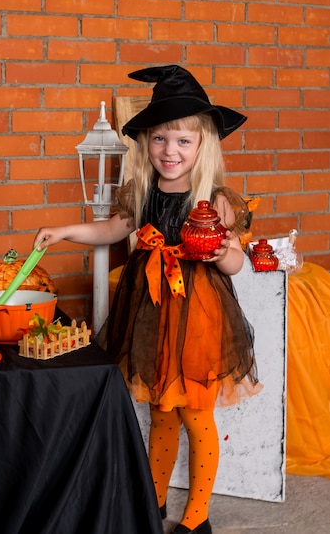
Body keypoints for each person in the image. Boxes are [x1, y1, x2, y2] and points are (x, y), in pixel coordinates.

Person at [34, 65, 262, 534]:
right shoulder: (142, 192)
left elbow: (238, 262)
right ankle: (152, 499)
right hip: (151, 313)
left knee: (195, 414)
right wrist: (64, 232)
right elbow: (112, 229)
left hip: (198, 313)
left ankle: (197, 516)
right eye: (159, 139)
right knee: (161, 409)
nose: (170, 151)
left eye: (182, 140)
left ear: (202, 146)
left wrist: (224, 254)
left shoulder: (215, 199)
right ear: (145, 144)